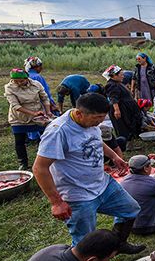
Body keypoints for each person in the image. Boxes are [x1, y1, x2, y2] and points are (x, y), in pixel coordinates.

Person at [33, 93, 143, 251]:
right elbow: (39, 168)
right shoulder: (58, 132)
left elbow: (96, 141)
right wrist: (56, 202)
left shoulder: (89, 122)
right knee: (84, 242)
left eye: (102, 117)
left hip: (102, 184)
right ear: (79, 114)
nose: (99, 121)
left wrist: (114, 156)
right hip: (78, 194)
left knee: (130, 210)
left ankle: (118, 245)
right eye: (97, 118)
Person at [5, 68, 54, 170]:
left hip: (38, 117)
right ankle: (23, 163)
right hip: (18, 118)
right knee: (19, 140)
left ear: (27, 78)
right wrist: (33, 113)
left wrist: (48, 112)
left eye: (21, 81)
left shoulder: (36, 84)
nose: (19, 83)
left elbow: (44, 98)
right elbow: (15, 106)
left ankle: (46, 159)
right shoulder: (9, 88)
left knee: (46, 137)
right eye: (16, 81)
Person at [103, 65, 142, 145]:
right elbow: (113, 98)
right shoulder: (112, 85)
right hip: (121, 109)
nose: (123, 76)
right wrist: (117, 110)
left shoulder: (117, 83)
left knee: (129, 125)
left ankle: (129, 142)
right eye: (121, 74)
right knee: (123, 127)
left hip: (126, 108)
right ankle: (125, 145)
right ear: (114, 75)